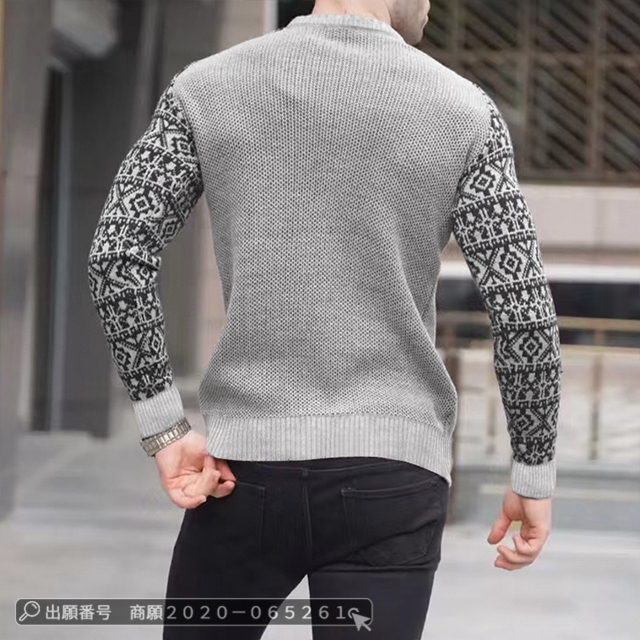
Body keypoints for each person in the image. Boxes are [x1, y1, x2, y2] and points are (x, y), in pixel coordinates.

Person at [86, 0, 564, 637]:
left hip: (244, 473)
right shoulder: (465, 111)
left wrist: (164, 429)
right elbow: (524, 312)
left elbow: (117, 255)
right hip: (393, 474)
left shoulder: (205, 88)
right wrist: (532, 470)